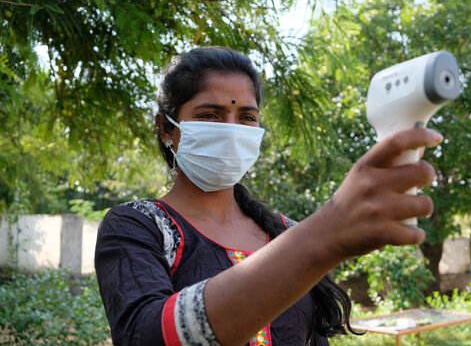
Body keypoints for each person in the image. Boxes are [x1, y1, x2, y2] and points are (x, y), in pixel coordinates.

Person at [95, 46, 442, 346]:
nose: (232, 129)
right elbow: (145, 336)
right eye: (210, 115)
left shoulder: (284, 232)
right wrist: (323, 235)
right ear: (166, 128)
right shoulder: (137, 226)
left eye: (246, 117)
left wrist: (314, 239)